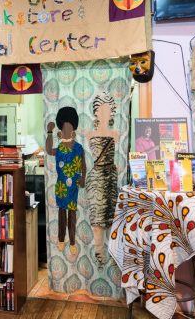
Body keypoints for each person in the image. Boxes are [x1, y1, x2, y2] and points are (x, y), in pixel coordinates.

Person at [46, 107, 86, 256]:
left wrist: (83, 177)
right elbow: (49, 150)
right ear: (61, 129)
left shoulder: (78, 148)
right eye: (64, 127)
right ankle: (61, 239)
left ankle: (73, 241)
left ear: (73, 129)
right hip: (61, 186)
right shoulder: (60, 148)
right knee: (62, 213)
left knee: (72, 214)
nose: (67, 130)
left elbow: (83, 165)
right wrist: (49, 132)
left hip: (74, 186)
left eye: (69, 127)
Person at [85, 93, 119, 267]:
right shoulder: (90, 134)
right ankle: (100, 258)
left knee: (111, 220)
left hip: (110, 179)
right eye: (101, 109)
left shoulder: (115, 134)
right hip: (97, 178)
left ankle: (112, 258)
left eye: (108, 109)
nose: (104, 113)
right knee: (97, 222)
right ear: (96, 112)